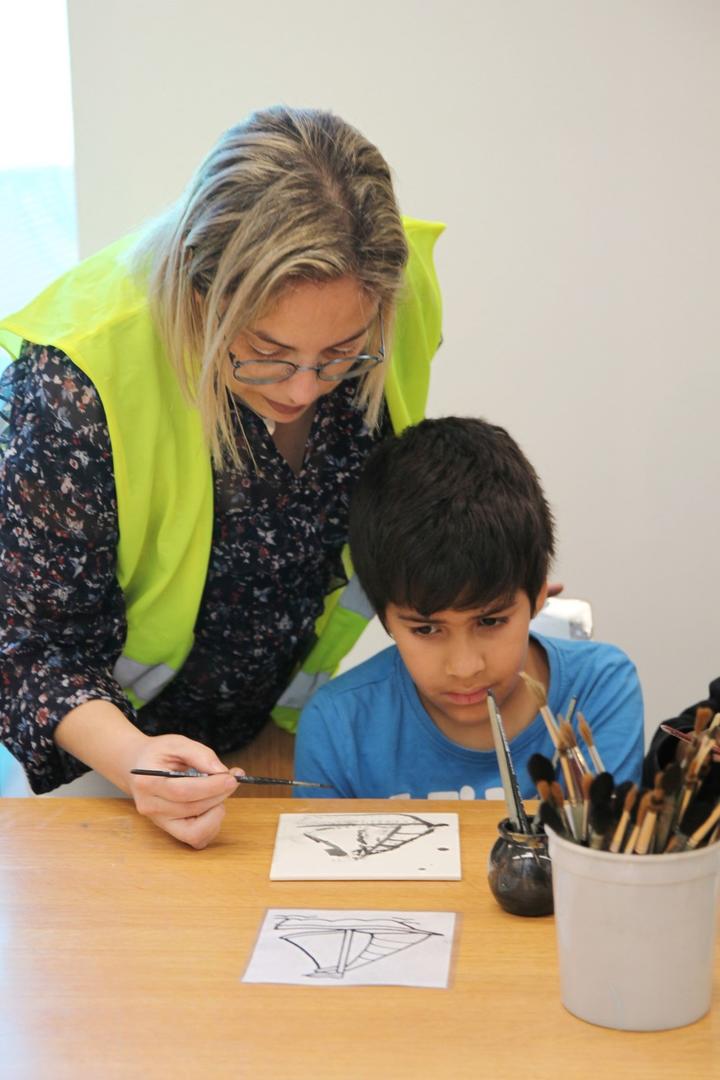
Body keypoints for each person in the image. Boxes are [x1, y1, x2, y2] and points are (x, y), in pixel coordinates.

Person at [0, 105, 444, 847]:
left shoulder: (394, 293)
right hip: (107, 757)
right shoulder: (77, 380)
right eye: (265, 351)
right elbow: (29, 649)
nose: (304, 389)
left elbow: (396, 486)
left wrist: (469, 580)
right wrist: (135, 758)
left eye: (341, 355)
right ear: (198, 292)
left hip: (278, 730)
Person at [293, 416, 644, 799]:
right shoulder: (337, 723)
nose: (464, 668)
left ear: (540, 595)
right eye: (426, 629)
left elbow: (606, 856)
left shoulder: (600, 688)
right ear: (384, 616)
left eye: (490, 621)